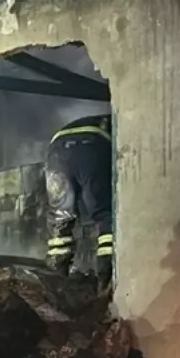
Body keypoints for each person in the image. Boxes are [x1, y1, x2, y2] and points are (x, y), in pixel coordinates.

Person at [44, 112, 113, 286]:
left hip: (56, 151)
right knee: (104, 215)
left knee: (60, 221)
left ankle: (56, 283)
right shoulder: (117, 121)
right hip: (92, 146)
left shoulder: (93, 120)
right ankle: (106, 282)